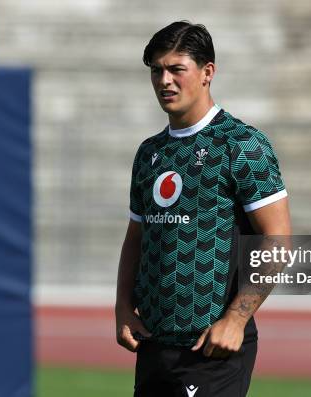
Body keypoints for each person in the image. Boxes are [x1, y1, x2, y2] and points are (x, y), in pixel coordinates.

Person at [115, 20, 291, 397]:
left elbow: (277, 240)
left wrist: (236, 318)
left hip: (212, 345)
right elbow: (137, 236)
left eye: (177, 69)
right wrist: (122, 306)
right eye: (156, 70)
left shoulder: (242, 144)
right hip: (154, 343)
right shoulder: (150, 152)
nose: (165, 81)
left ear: (207, 72)